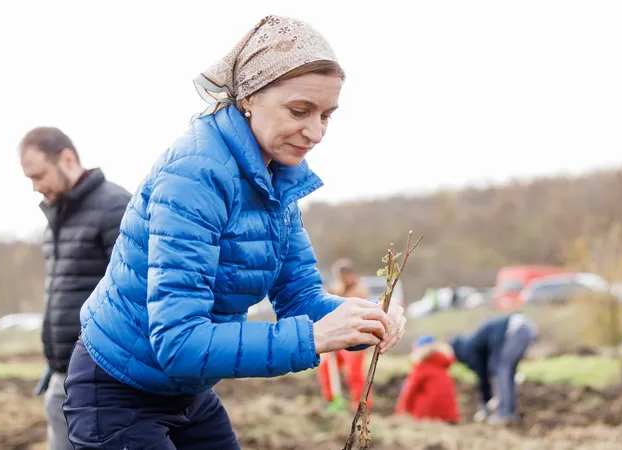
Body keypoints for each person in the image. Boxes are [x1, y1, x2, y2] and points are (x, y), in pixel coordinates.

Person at [61, 15, 406, 450]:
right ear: (249, 96)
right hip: (116, 388)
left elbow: (300, 299)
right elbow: (179, 342)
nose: (316, 132)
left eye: (326, 115)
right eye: (300, 111)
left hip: (187, 389)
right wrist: (315, 337)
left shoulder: (278, 177)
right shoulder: (195, 174)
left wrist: (362, 319)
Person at [18, 126, 131, 450]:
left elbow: (132, 293)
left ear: (67, 159)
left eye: (39, 176)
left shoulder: (116, 207)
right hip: (61, 372)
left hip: (101, 377)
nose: (36, 187)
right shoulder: (56, 215)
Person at [450, 313, 538, 425]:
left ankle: (504, 413)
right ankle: (509, 411)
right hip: (523, 327)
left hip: (518, 329)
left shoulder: (469, 350)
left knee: (501, 369)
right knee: (506, 370)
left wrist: (485, 404)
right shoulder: (476, 343)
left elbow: (483, 377)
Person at [318, 258, 371, 411]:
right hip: (339, 337)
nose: (341, 279)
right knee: (326, 367)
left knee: (354, 373)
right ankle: (332, 400)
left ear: (350, 274)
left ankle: (361, 406)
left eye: (343, 276)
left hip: (357, 339)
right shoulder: (338, 287)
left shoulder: (359, 290)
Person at [394, 335, 460, 424]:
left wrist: (400, 413)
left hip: (426, 416)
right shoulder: (443, 367)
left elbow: (408, 393)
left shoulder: (421, 368)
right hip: (449, 416)